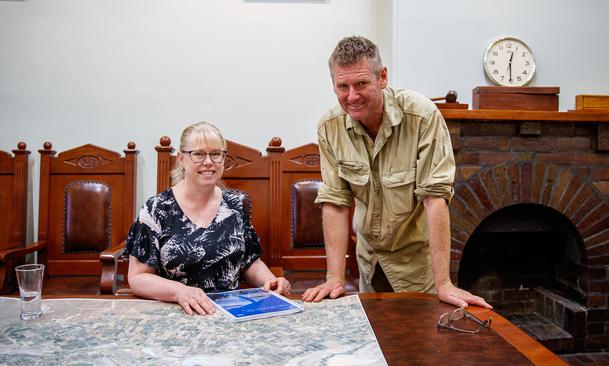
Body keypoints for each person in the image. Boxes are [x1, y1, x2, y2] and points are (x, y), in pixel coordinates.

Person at [302, 36, 491, 309]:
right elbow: (336, 201)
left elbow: (435, 198)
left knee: (422, 346)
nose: (352, 96)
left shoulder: (422, 116)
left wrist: (444, 283)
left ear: (383, 77)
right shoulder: (329, 127)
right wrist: (334, 278)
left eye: (361, 84)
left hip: (417, 265)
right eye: (342, 86)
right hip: (369, 262)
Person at [124, 122, 291, 315]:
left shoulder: (235, 204)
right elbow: (138, 278)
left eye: (216, 154)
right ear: (181, 159)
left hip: (231, 313)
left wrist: (269, 282)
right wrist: (180, 292)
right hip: (176, 311)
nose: (209, 162)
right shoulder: (156, 208)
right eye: (198, 154)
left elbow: (249, 262)